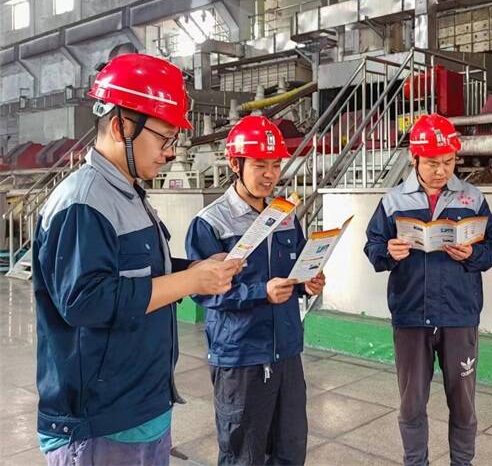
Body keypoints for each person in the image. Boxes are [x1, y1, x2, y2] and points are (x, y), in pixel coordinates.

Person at [33, 53, 243, 466]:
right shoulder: (83, 203)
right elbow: (86, 301)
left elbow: (141, 274)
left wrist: (194, 270)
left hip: (143, 407)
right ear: (120, 126)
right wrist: (190, 282)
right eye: (164, 138)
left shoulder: (128, 194)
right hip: (99, 424)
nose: (169, 153)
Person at [186, 115, 325, 466]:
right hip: (241, 355)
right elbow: (201, 291)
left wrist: (308, 283)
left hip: (287, 351)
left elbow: (296, 271)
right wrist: (260, 292)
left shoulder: (285, 215)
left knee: (290, 449)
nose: (270, 175)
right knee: (244, 455)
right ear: (236, 164)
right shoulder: (211, 223)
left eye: (276, 165)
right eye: (260, 165)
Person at [364, 114, 492, 466]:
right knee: (411, 404)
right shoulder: (394, 200)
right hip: (411, 314)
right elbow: (373, 246)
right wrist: (388, 252)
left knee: (464, 404)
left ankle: (462, 462)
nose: (442, 171)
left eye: (448, 162)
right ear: (414, 158)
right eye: (432, 163)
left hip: (459, 314)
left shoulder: (472, 198)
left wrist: (473, 255)